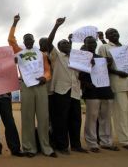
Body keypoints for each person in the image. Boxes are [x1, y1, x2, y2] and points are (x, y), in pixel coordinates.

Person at [8, 14, 56, 158]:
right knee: (27, 117)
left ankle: (46, 148)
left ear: (33, 41)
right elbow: (10, 40)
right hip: (26, 86)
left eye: (30, 39)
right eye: (26, 39)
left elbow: (48, 70)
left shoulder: (41, 54)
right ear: (23, 42)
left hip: (41, 86)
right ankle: (29, 148)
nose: (28, 40)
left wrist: (45, 78)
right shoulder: (19, 53)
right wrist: (15, 23)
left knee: (43, 117)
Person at [98, 28, 128, 151]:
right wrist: (117, 72)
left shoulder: (127, 48)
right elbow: (102, 66)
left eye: (116, 32)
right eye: (111, 33)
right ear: (107, 37)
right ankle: (126, 140)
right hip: (118, 82)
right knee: (121, 112)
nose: (114, 34)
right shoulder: (104, 47)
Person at [47, 18, 88, 155]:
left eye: (67, 43)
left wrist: (90, 64)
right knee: (61, 120)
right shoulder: (56, 57)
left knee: (76, 120)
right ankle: (62, 146)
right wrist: (56, 25)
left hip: (75, 92)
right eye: (62, 43)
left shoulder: (77, 58)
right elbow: (48, 42)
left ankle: (76, 145)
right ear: (58, 47)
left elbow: (81, 75)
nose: (66, 44)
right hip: (61, 92)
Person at [80, 36, 119, 153]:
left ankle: (106, 142)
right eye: (89, 42)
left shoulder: (101, 58)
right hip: (92, 91)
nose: (92, 44)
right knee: (91, 118)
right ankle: (92, 143)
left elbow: (107, 72)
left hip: (105, 89)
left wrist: (109, 63)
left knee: (106, 118)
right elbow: (78, 76)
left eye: (93, 42)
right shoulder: (81, 59)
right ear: (85, 44)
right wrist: (87, 67)